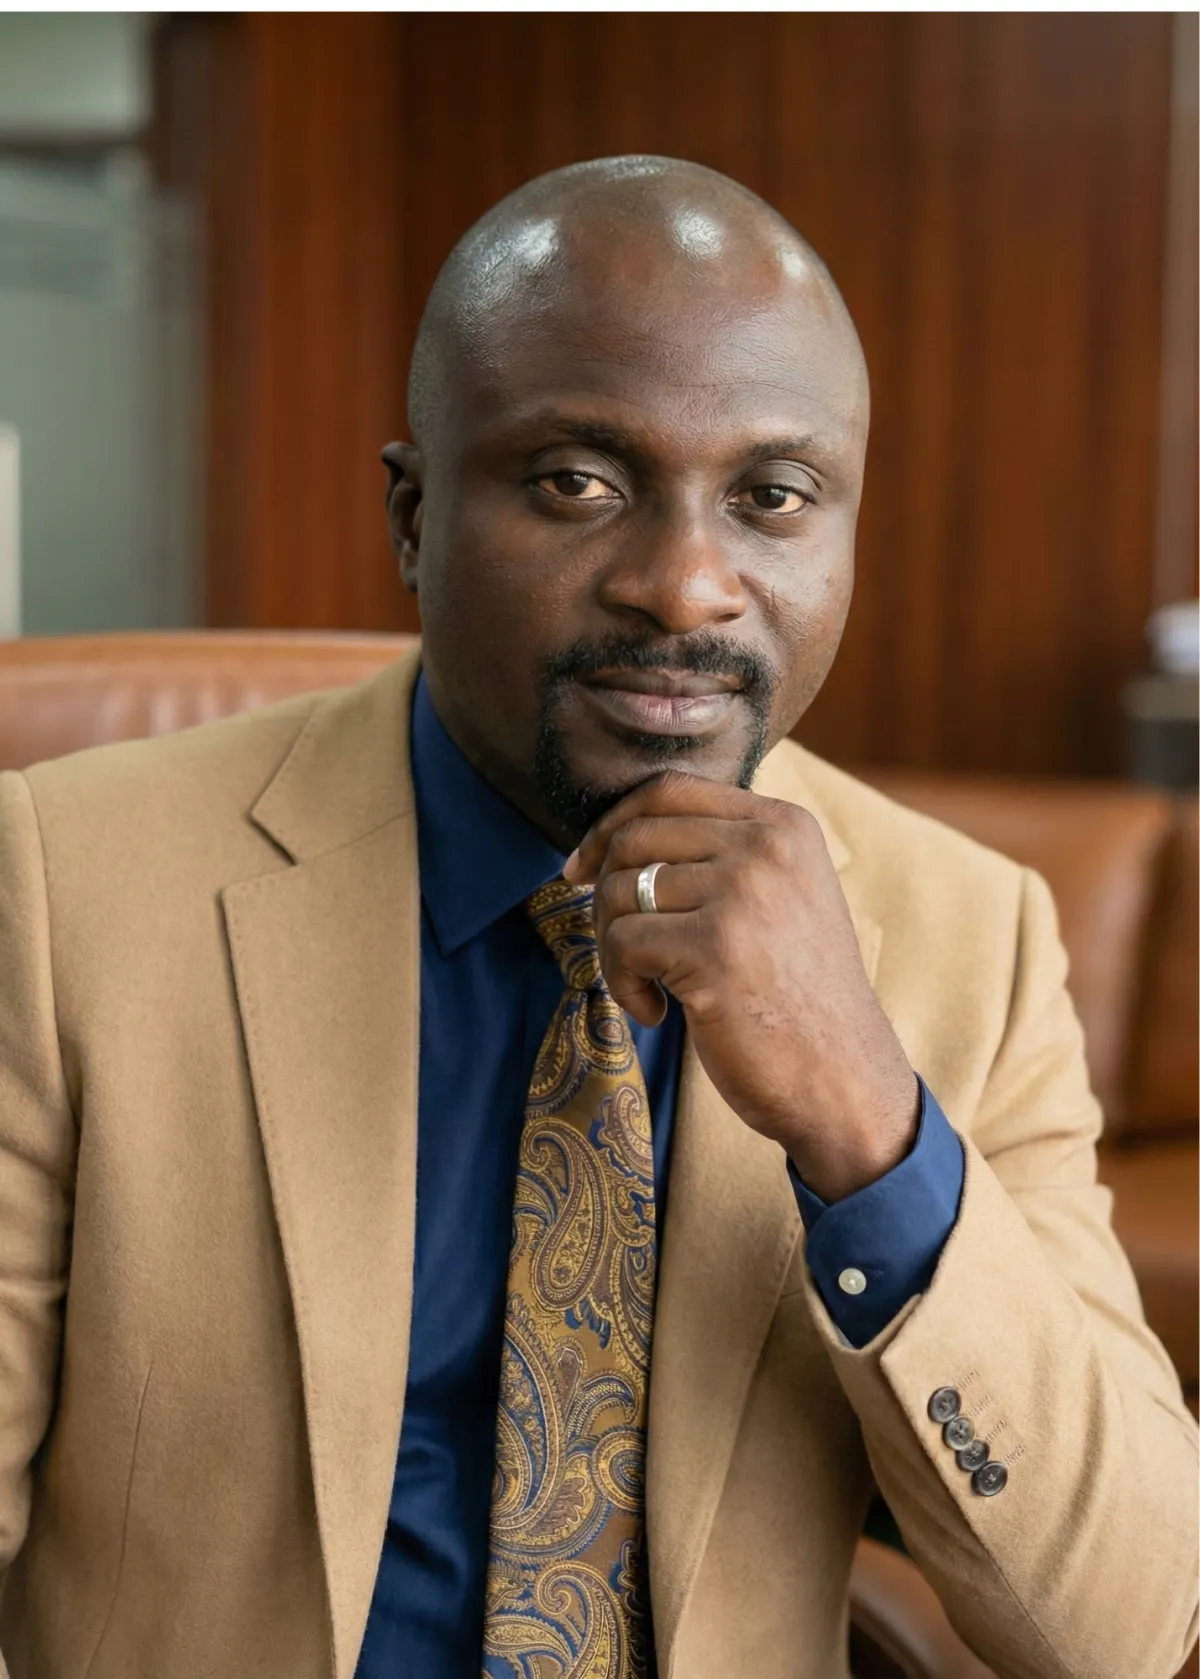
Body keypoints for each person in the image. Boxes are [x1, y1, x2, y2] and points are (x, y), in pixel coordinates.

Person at [0, 156, 1194, 1679]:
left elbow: (1127, 1632)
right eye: (579, 481)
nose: (686, 587)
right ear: (415, 516)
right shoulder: (68, 888)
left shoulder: (973, 938)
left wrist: (869, 1126)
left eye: (773, 497)